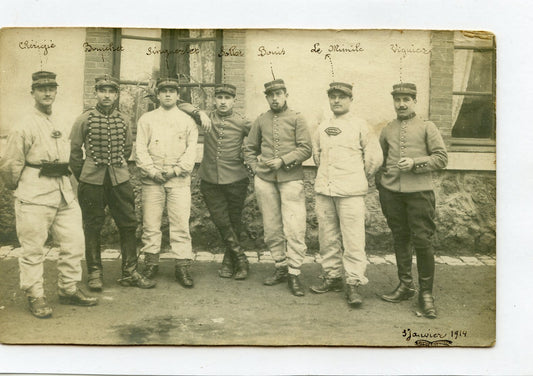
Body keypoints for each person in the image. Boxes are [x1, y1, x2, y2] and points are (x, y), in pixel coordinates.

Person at [0, 71, 97, 318]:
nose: (47, 93)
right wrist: (20, 190)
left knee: (74, 242)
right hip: (35, 191)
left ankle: (69, 288)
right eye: (41, 89)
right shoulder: (23, 125)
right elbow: (11, 164)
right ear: (32, 92)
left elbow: (72, 154)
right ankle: (36, 295)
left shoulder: (62, 120)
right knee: (33, 249)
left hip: (64, 190)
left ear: (56, 91)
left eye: (51, 88)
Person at [70, 75, 156, 290]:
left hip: (119, 180)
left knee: (128, 224)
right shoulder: (84, 119)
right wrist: (85, 175)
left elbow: (127, 149)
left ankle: (129, 272)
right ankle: (95, 273)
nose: (106, 95)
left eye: (111, 91)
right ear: (96, 93)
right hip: (91, 181)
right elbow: (74, 153)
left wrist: (117, 169)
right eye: (102, 91)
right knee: (92, 226)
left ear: (117, 95)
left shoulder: (123, 119)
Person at [377, 83, 448, 319]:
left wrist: (416, 163)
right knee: (400, 237)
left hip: (419, 193)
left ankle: (426, 294)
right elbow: (382, 160)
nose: (402, 104)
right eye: (397, 100)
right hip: (392, 194)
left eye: (406, 99)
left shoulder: (428, 127)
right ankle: (405, 286)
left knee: (422, 241)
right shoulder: (387, 129)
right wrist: (383, 186)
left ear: (414, 101)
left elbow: (441, 158)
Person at [309, 82, 382, 307]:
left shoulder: (360, 125)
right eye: (333, 97)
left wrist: (357, 177)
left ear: (351, 100)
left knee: (353, 239)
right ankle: (331, 276)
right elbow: (317, 154)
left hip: (351, 192)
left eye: (342, 97)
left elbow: (373, 158)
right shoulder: (322, 126)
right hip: (325, 190)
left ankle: (353, 282)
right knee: (327, 237)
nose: (337, 101)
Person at [244, 79, 312, 297]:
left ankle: (294, 272)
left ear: (286, 95)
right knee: (271, 226)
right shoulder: (261, 120)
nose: (275, 98)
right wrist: (255, 167)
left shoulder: (297, 118)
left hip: (291, 179)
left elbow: (306, 149)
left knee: (294, 225)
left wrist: (283, 161)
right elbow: (249, 148)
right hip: (265, 180)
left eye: (279, 94)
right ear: (266, 97)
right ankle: (280, 266)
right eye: (270, 95)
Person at [135, 77, 199, 288]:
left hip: (178, 179)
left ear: (178, 95)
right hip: (152, 179)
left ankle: (182, 266)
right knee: (151, 223)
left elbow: (191, 151)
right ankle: (151, 263)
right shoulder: (147, 119)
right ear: (158, 95)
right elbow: (140, 149)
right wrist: (152, 172)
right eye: (164, 91)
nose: (168, 95)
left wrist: (175, 170)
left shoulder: (187, 121)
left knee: (180, 223)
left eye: (172, 91)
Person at [198, 83, 252, 280]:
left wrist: (252, 158)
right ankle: (241, 258)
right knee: (221, 221)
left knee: (233, 221)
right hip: (210, 179)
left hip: (236, 179)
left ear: (234, 101)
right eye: (219, 97)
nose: (222, 102)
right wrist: (199, 112)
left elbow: (260, 138)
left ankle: (229, 263)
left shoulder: (243, 122)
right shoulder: (207, 117)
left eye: (227, 98)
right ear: (214, 100)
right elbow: (180, 105)